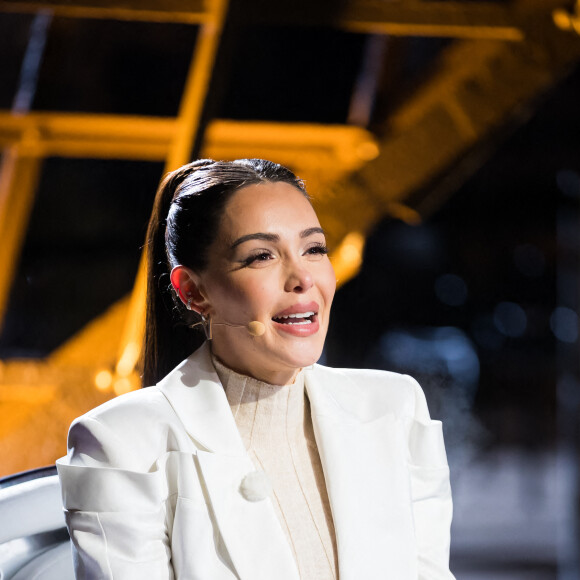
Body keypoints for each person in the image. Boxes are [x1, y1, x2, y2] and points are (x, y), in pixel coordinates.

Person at [57, 158, 455, 580]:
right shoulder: (120, 443)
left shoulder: (394, 407)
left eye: (314, 248)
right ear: (192, 290)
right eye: (261, 256)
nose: (303, 277)